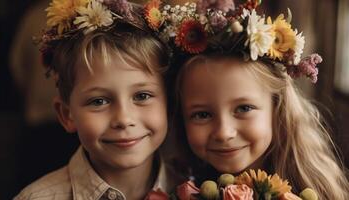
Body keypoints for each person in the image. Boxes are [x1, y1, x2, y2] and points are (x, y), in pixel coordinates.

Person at [145, 0, 349, 199]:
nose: (224, 133)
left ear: (277, 107)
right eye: (202, 114)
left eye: (243, 108)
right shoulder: (179, 187)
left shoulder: (314, 191)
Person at [14, 0, 183, 199]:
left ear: (170, 104)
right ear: (66, 114)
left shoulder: (197, 189)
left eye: (142, 96)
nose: (123, 119)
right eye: (98, 101)